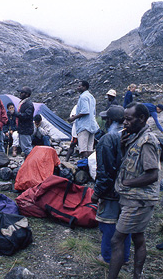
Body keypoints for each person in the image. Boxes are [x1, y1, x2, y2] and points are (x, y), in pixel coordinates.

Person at [108, 102, 161, 279]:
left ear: (142, 118)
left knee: (117, 240)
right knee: (138, 237)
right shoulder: (134, 137)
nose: (125, 122)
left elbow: (153, 174)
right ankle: (137, 275)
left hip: (139, 200)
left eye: (129, 119)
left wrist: (128, 183)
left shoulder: (147, 141)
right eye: (124, 119)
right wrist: (123, 147)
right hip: (132, 198)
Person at [91, 105, 131, 265]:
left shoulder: (108, 139)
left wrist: (97, 192)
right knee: (124, 225)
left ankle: (107, 257)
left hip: (112, 192)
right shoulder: (132, 134)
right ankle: (125, 257)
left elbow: (105, 171)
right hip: (129, 190)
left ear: (111, 121)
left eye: (106, 119)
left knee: (108, 224)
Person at [67, 80, 99, 158]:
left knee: (83, 149)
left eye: (79, 86)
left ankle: (85, 166)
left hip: (84, 125)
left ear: (84, 87)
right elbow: (93, 112)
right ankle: (90, 166)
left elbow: (85, 111)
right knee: (90, 148)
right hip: (92, 125)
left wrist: (74, 118)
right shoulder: (91, 97)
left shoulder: (83, 97)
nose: (78, 88)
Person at [11, 86, 34, 158]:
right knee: (25, 148)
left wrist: (15, 113)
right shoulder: (24, 103)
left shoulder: (29, 104)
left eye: (22, 93)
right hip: (22, 129)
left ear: (27, 94)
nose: (20, 94)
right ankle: (28, 163)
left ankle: (32, 163)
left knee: (27, 148)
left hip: (25, 129)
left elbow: (27, 116)